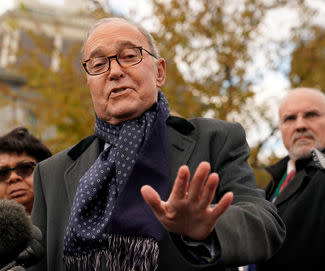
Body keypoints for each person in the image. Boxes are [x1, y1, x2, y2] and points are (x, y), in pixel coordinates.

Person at [30, 17, 285, 271]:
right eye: (98, 64)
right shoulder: (50, 172)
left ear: (159, 72)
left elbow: (266, 225)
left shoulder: (215, 140)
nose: (114, 71)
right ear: (90, 83)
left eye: (129, 56)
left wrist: (206, 230)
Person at [258, 88, 325, 270]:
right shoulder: (273, 183)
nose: (300, 125)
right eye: (289, 119)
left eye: (311, 115)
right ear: (281, 128)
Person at [0, 127, 52, 214]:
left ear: (45, 172)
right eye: (2, 174)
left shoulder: (69, 219)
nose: (13, 177)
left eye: (25, 169)